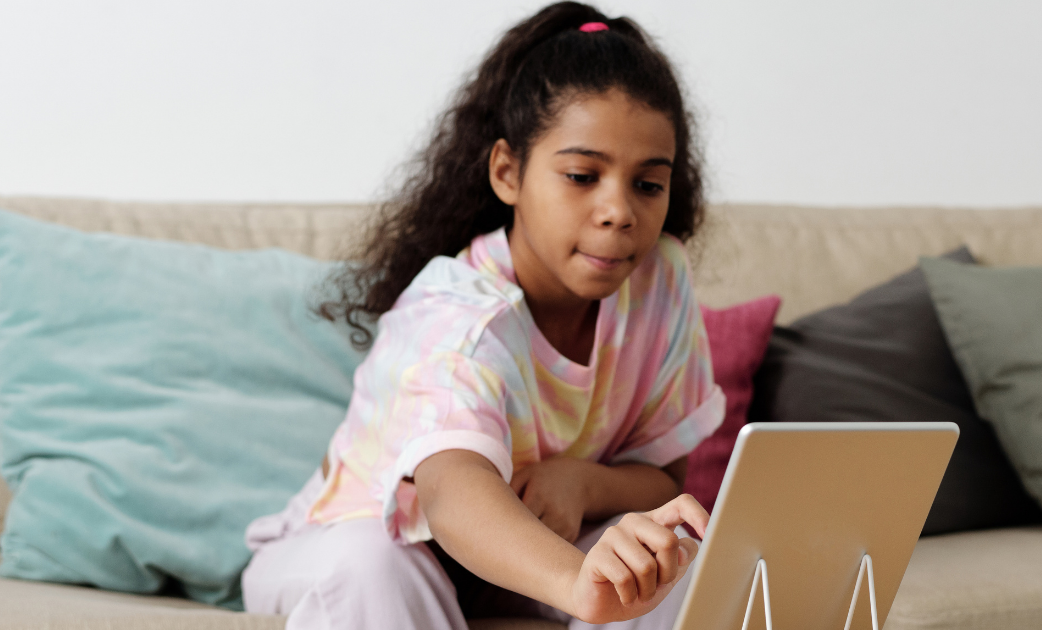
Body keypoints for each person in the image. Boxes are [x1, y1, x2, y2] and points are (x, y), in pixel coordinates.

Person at [240, 3, 724, 628]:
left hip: (515, 562)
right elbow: (451, 492)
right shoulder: (457, 316)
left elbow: (664, 479)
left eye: (648, 185)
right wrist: (577, 581)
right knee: (372, 563)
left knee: (670, 562)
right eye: (582, 175)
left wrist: (583, 483)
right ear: (507, 172)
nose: (618, 211)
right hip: (360, 547)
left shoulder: (659, 281)